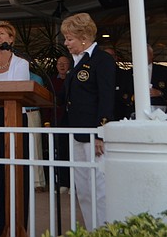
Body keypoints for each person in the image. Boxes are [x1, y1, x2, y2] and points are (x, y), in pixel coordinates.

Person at [62, 12, 115, 230]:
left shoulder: (101, 60)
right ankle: (92, 229)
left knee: (100, 188)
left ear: (83, 37)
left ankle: (105, 230)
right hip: (76, 132)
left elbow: (106, 97)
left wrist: (101, 132)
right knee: (83, 188)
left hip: (94, 135)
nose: (66, 43)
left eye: (69, 39)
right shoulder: (76, 62)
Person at [0, 20, 33, 233]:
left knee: (12, 171)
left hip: (12, 117)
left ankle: (13, 223)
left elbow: (17, 90)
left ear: (11, 39)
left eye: (3, 34)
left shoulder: (21, 63)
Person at [44, 55, 71, 192]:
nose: (62, 66)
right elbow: (48, 102)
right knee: (59, 152)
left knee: (72, 152)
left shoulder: (73, 79)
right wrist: (47, 121)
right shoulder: (52, 81)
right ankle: (62, 183)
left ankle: (73, 184)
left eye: (65, 63)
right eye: (59, 63)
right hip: (56, 120)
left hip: (72, 121)